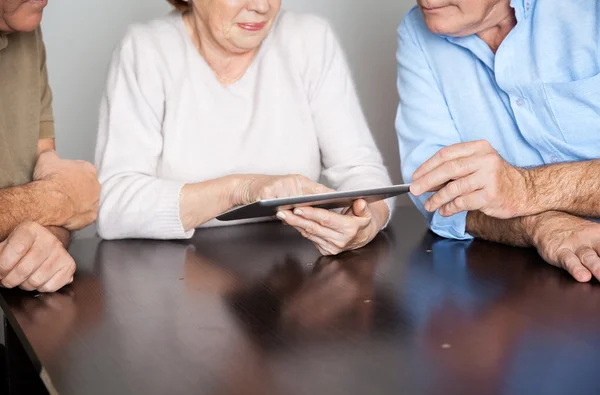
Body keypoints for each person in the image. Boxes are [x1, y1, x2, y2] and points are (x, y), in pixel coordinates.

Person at [95, 0, 394, 255]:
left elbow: (361, 170)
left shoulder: (309, 39)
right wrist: (240, 190)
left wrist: (365, 224)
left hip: (290, 273)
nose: (262, 6)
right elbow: (114, 205)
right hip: (176, 274)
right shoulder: (146, 49)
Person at [395, 0, 600, 282]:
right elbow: (434, 192)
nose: (426, 1)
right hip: (537, 278)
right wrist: (537, 223)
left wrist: (525, 189)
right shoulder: (417, 30)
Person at [0, 0, 100, 292]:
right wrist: (57, 200)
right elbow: (62, 196)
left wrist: (47, 243)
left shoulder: (25, 29)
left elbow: (50, 181)